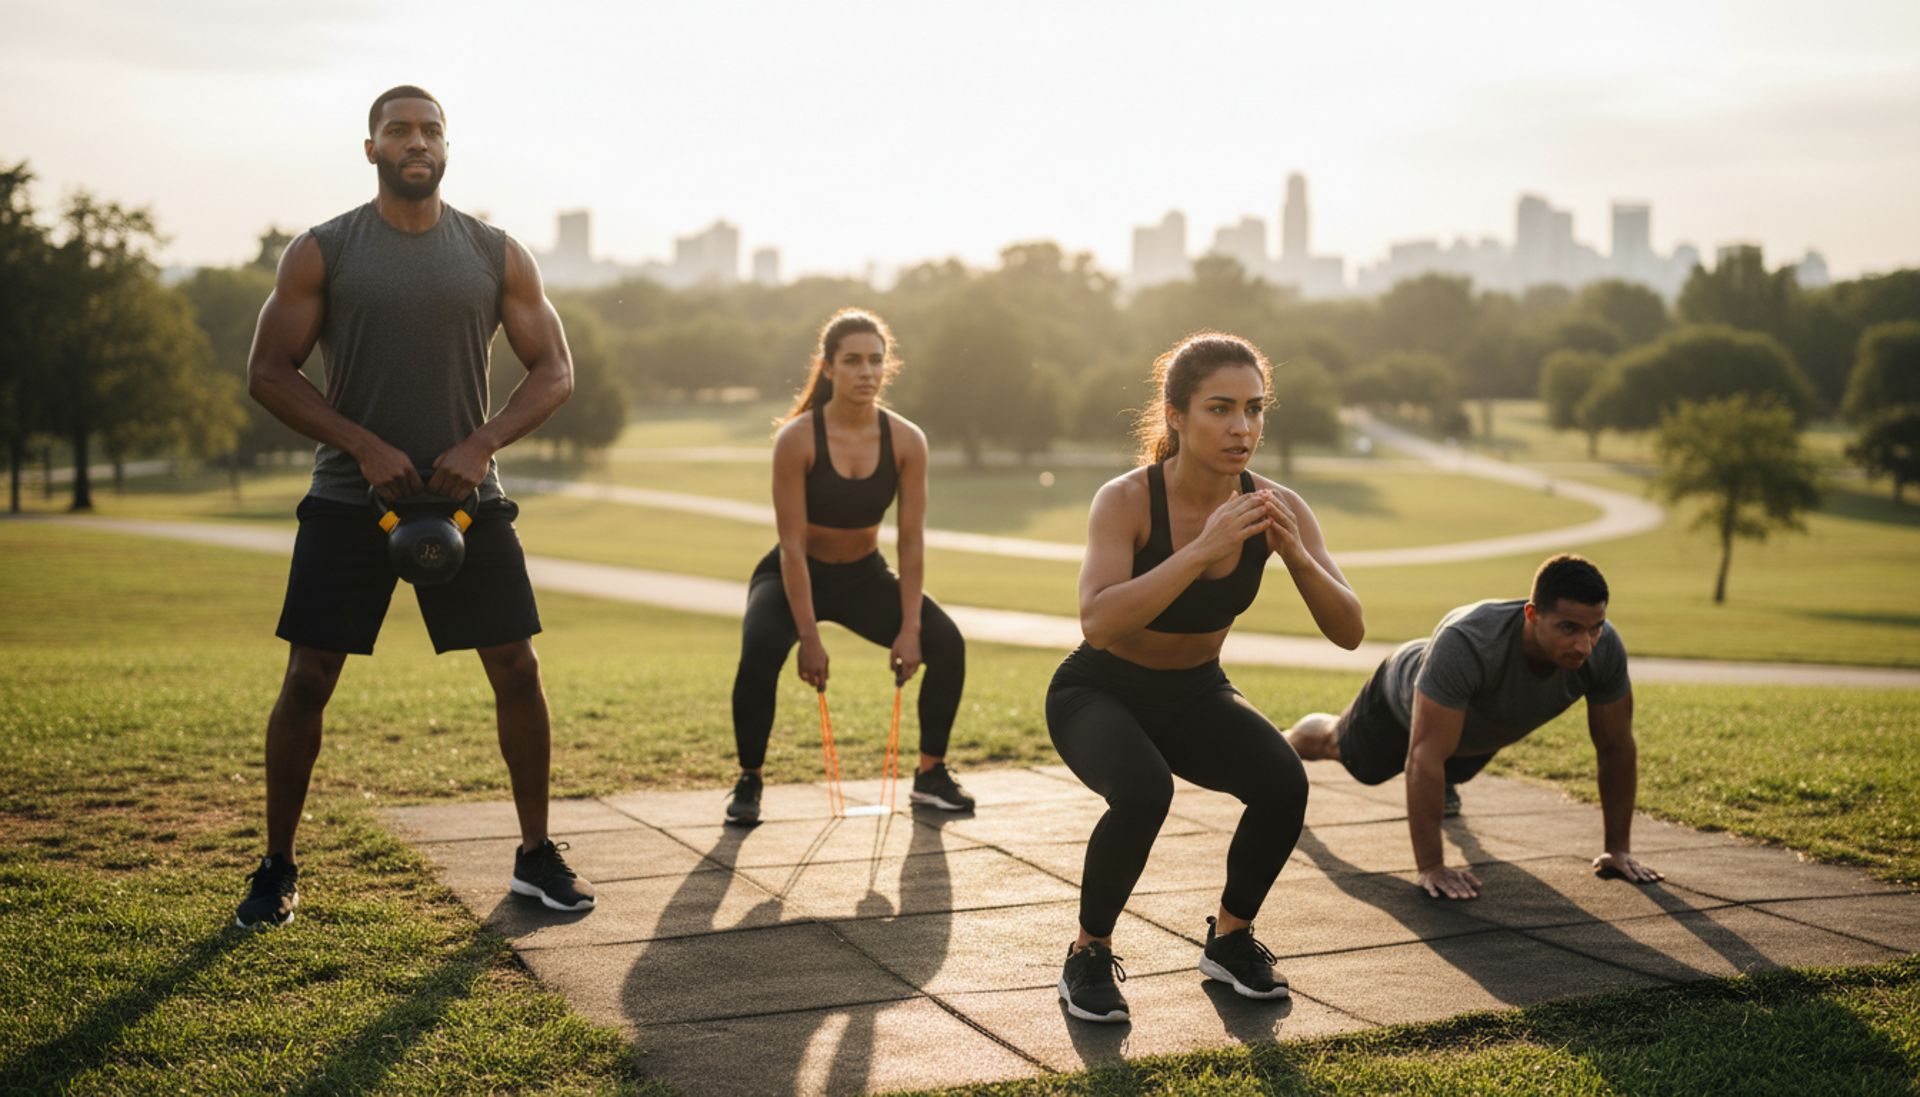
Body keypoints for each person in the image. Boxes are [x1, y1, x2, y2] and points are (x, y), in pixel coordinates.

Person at [234, 85, 593, 929]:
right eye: (399, 130)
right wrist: (361, 444)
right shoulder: (322, 251)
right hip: (346, 498)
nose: (416, 141)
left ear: (446, 146)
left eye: (431, 129)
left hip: (469, 498)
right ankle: (278, 865)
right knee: (307, 677)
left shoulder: (495, 252)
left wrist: (482, 446)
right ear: (372, 149)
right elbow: (268, 373)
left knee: (518, 668)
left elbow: (556, 371)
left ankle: (536, 856)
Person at [1049, 333, 1365, 1024]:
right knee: (1143, 790)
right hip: (1098, 689)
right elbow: (1098, 622)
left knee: (1284, 782)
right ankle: (1088, 952)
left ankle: (1229, 937)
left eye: (1254, 409)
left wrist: (1297, 556)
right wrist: (1201, 550)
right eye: (1220, 408)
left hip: (1195, 691)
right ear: (1176, 415)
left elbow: (1350, 630)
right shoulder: (1127, 499)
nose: (1241, 427)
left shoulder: (1278, 504)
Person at [1285, 553, 1663, 900]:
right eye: (1568, 628)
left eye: (1594, 628)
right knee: (1344, 750)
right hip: (1402, 697)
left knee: (1452, 765)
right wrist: (1431, 866)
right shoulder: (1468, 641)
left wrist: (1617, 849)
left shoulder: (1605, 647)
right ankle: (1282, 743)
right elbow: (1424, 755)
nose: (1584, 645)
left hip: (1471, 727)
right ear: (1531, 615)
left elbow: (1616, 747)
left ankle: (1446, 782)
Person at [725, 309, 973, 824]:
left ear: (888, 367)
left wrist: (910, 629)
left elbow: (910, 542)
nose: (866, 372)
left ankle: (930, 776)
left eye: (876, 361)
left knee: (945, 642)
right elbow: (790, 546)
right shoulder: (797, 438)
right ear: (829, 368)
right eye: (853, 361)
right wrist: (809, 637)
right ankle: (749, 780)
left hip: (864, 577)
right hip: (794, 575)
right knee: (761, 648)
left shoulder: (906, 441)